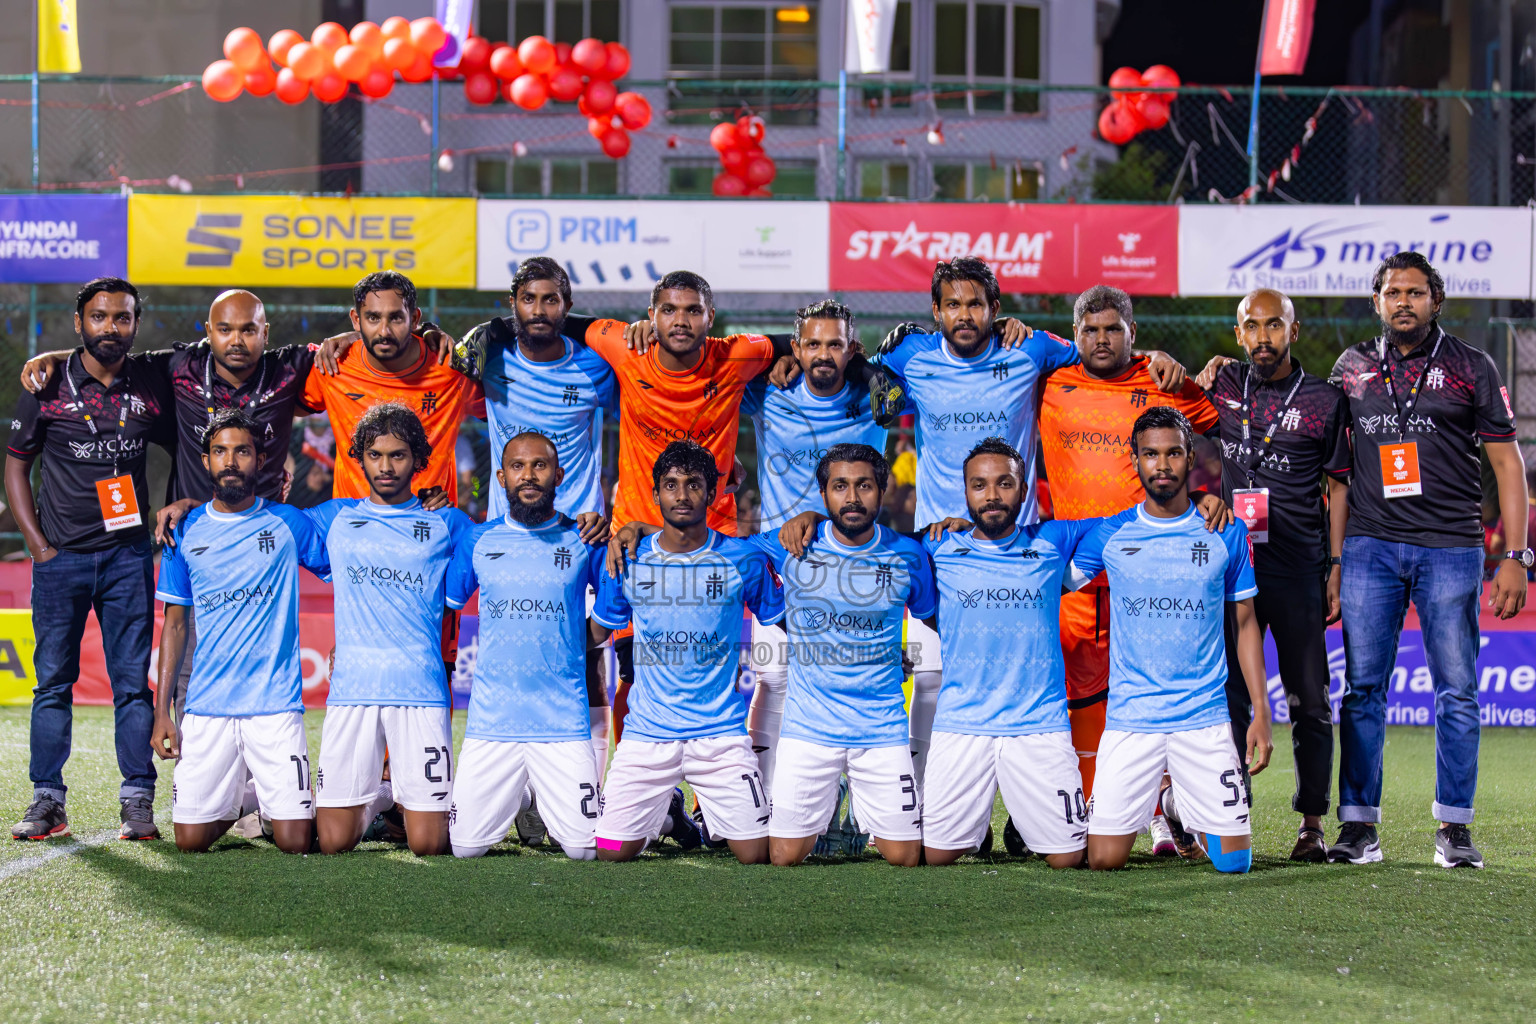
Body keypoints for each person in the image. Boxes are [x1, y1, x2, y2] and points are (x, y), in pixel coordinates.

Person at [1327, 252, 1527, 869]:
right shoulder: (1351, 369)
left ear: (1436, 301)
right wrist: (1334, 559)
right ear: (1378, 301)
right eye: (1393, 292)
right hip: (1368, 547)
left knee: (1458, 691)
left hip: (1451, 546)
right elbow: (1335, 477)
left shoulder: (1471, 365)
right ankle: (1359, 828)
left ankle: (1455, 828)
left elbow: (1507, 465)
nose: (1403, 302)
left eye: (1415, 292)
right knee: (1362, 690)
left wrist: (1515, 554)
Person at [1036, 284, 1221, 854]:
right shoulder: (1049, 382)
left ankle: (1168, 812)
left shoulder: (1160, 382)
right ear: (1074, 335)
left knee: (1157, 690)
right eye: (1089, 330)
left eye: (1112, 329)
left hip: (1156, 574)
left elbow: (1221, 427)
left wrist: (1203, 370)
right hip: (1079, 572)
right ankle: (1089, 807)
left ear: (1133, 334)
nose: (1100, 339)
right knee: (1083, 694)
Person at [6, 277, 175, 842]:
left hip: (128, 558)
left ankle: (137, 799)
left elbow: (190, 443)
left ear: (134, 324)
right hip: (61, 561)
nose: (111, 327)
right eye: (99, 317)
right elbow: (15, 465)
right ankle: (47, 799)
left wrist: (177, 500)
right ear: (79, 323)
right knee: (52, 683)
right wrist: (39, 546)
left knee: (131, 686)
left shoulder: (152, 379)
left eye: (122, 318)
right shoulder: (47, 382)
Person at [1069, 407, 1272, 872]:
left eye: (1174, 453)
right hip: (1131, 719)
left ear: (1191, 457)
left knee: (1235, 863)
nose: (1163, 465)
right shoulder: (1112, 533)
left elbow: (1245, 625)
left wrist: (1261, 713)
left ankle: (1177, 806)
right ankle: (1163, 797)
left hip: (1203, 717)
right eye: (1151, 454)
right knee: (1103, 859)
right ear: (1135, 461)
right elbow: (1052, 571)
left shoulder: (1225, 531)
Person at [1197, 288, 1352, 863]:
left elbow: (1339, 486)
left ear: (1293, 329)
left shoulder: (1323, 399)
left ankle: (1312, 821)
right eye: (1252, 327)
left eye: (1274, 325)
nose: (1263, 337)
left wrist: (1334, 566)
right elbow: (1174, 417)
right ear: (1238, 334)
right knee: (1229, 694)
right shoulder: (1221, 385)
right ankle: (1227, 811)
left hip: (1299, 567)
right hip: (1235, 566)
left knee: (1310, 698)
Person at [590, 441, 784, 864]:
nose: (682, 495)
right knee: (607, 853)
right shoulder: (629, 557)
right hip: (647, 735)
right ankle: (667, 816)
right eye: (671, 485)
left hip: (720, 736)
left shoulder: (743, 559)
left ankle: (718, 814)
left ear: (712, 493)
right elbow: (596, 632)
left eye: (694, 484)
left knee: (755, 855)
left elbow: (789, 622)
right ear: (655, 494)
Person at [745, 443, 937, 867]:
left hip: (881, 727)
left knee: (905, 857)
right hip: (809, 728)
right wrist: (775, 609)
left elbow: (934, 615)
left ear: (881, 491)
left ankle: (853, 812)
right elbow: (734, 551)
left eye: (864, 486)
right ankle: (833, 798)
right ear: (824, 494)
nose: (852, 498)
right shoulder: (793, 545)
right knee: (783, 857)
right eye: (840, 487)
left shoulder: (908, 554)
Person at [150, 408, 329, 854]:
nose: (231, 461)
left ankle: (272, 804)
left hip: (274, 703)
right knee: (189, 842)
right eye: (220, 452)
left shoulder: (289, 523)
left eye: (242, 451)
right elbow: (173, 625)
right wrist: (162, 712)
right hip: (208, 705)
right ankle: (239, 801)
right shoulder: (183, 530)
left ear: (261, 460)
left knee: (295, 843)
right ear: (206, 461)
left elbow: (354, 535)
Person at [305, 402, 475, 856]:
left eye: (398, 455)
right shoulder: (333, 518)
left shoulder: (449, 523)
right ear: (358, 457)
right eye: (375, 455)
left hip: (419, 689)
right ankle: (380, 798)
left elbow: (507, 537)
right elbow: (263, 521)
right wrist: (191, 506)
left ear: (419, 461)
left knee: (429, 845)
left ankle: (497, 798)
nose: (385, 466)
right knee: (332, 843)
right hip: (353, 690)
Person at [922, 437, 1098, 868]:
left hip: (1038, 723)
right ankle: (975, 825)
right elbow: (876, 541)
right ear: (964, 492)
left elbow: (1126, 521)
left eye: (1005, 484)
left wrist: (1201, 498)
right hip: (963, 723)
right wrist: (813, 517)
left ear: (1024, 489)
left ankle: (1024, 822)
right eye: (979, 485)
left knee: (1068, 859)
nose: (992, 496)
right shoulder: (936, 546)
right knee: (935, 856)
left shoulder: (1052, 540)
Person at [738, 300, 888, 794]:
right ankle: (759, 795)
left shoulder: (879, 398)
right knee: (774, 680)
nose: (824, 354)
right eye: (813, 344)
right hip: (783, 567)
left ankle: (849, 806)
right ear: (796, 347)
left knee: (850, 691)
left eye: (836, 344)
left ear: (853, 350)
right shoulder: (765, 391)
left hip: (853, 573)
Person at [444, 431, 609, 860]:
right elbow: (449, 606)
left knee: (586, 851)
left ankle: (537, 798)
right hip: (493, 722)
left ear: (559, 474)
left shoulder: (584, 538)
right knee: (463, 848)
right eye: (518, 466)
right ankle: (521, 799)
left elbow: (613, 609)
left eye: (539, 466)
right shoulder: (478, 541)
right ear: (501, 476)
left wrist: (580, 639)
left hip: (562, 724)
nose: (529, 475)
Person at [303, 271, 481, 506]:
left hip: (430, 528)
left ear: (415, 318)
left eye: (396, 318)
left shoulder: (452, 371)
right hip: (353, 529)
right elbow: (278, 407)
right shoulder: (332, 366)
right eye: (373, 318)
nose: (384, 331)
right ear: (356, 319)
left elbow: (506, 417)